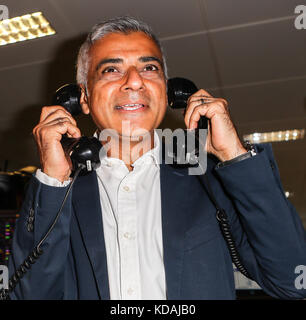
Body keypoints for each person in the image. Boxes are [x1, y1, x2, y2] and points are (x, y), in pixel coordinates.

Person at [8, 16, 306, 300]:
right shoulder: (61, 193)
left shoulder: (210, 179)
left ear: (168, 92)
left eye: (150, 68)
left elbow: (292, 281)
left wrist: (234, 156)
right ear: (82, 99)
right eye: (111, 70)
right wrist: (53, 181)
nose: (135, 81)